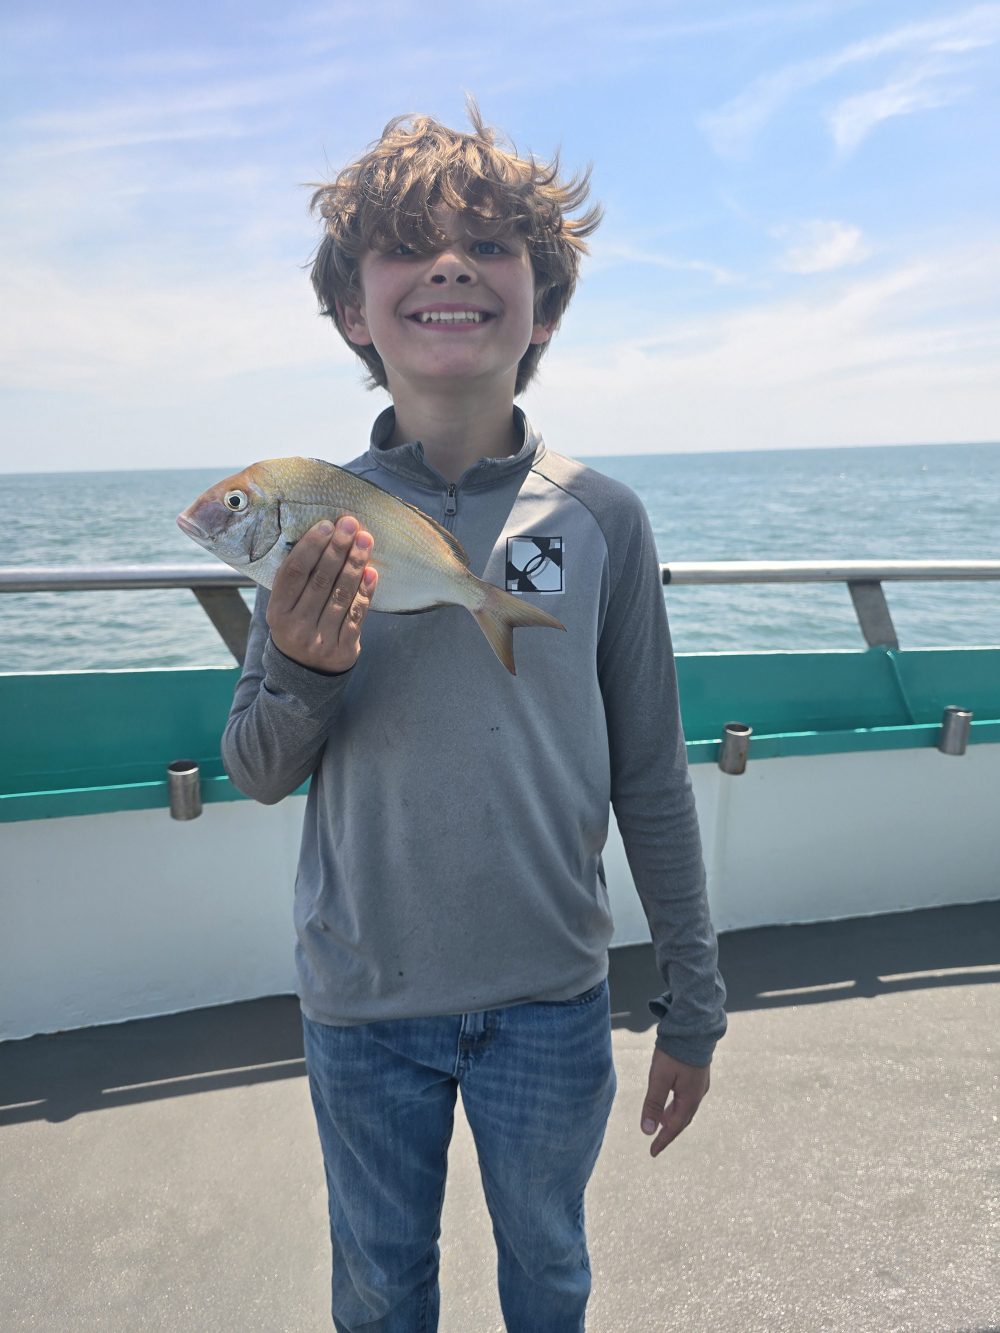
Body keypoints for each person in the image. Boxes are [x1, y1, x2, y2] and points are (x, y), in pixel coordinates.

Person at [221, 104, 727, 1333]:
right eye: (406, 245)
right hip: (363, 995)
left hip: (552, 995)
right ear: (354, 309)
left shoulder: (601, 516)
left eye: (492, 246)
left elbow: (650, 774)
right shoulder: (308, 514)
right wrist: (300, 661)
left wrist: (693, 1001)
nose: (450, 264)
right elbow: (256, 768)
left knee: (548, 1270)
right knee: (381, 1287)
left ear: (542, 307)